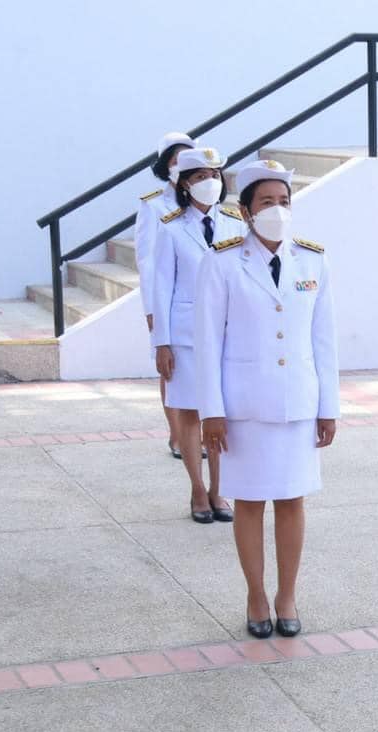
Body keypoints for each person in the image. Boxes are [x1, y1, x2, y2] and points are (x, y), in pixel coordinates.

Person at [197, 161, 336, 639]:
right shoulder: (221, 262)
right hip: (244, 408)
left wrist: (329, 407)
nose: (277, 210)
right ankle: (256, 594)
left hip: (298, 402)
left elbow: (324, 341)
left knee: (293, 500)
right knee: (251, 502)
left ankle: (287, 595)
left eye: (284, 201)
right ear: (245, 211)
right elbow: (208, 342)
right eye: (267, 202)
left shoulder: (312, 260)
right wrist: (211, 412)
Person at [150, 145, 244, 524]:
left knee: (219, 413)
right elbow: (161, 286)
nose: (210, 182)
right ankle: (197, 489)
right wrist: (162, 342)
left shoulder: (236, 224)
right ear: (186, 184)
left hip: (227, 335)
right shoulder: (171, 227)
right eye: (201, 177)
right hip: (186, 334)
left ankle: (220, 489)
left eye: (215, 175)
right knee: (190, 412)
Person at [137, 131, 194, 461]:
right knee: (169, 369)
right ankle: (177, 435)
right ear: (165, 166)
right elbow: (147, 262)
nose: (182, 166)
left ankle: (194, 432)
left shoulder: (206, 202)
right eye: (176, 160)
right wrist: (151, 309)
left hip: (197, 302)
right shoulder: (153, 205)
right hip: (165, 300)